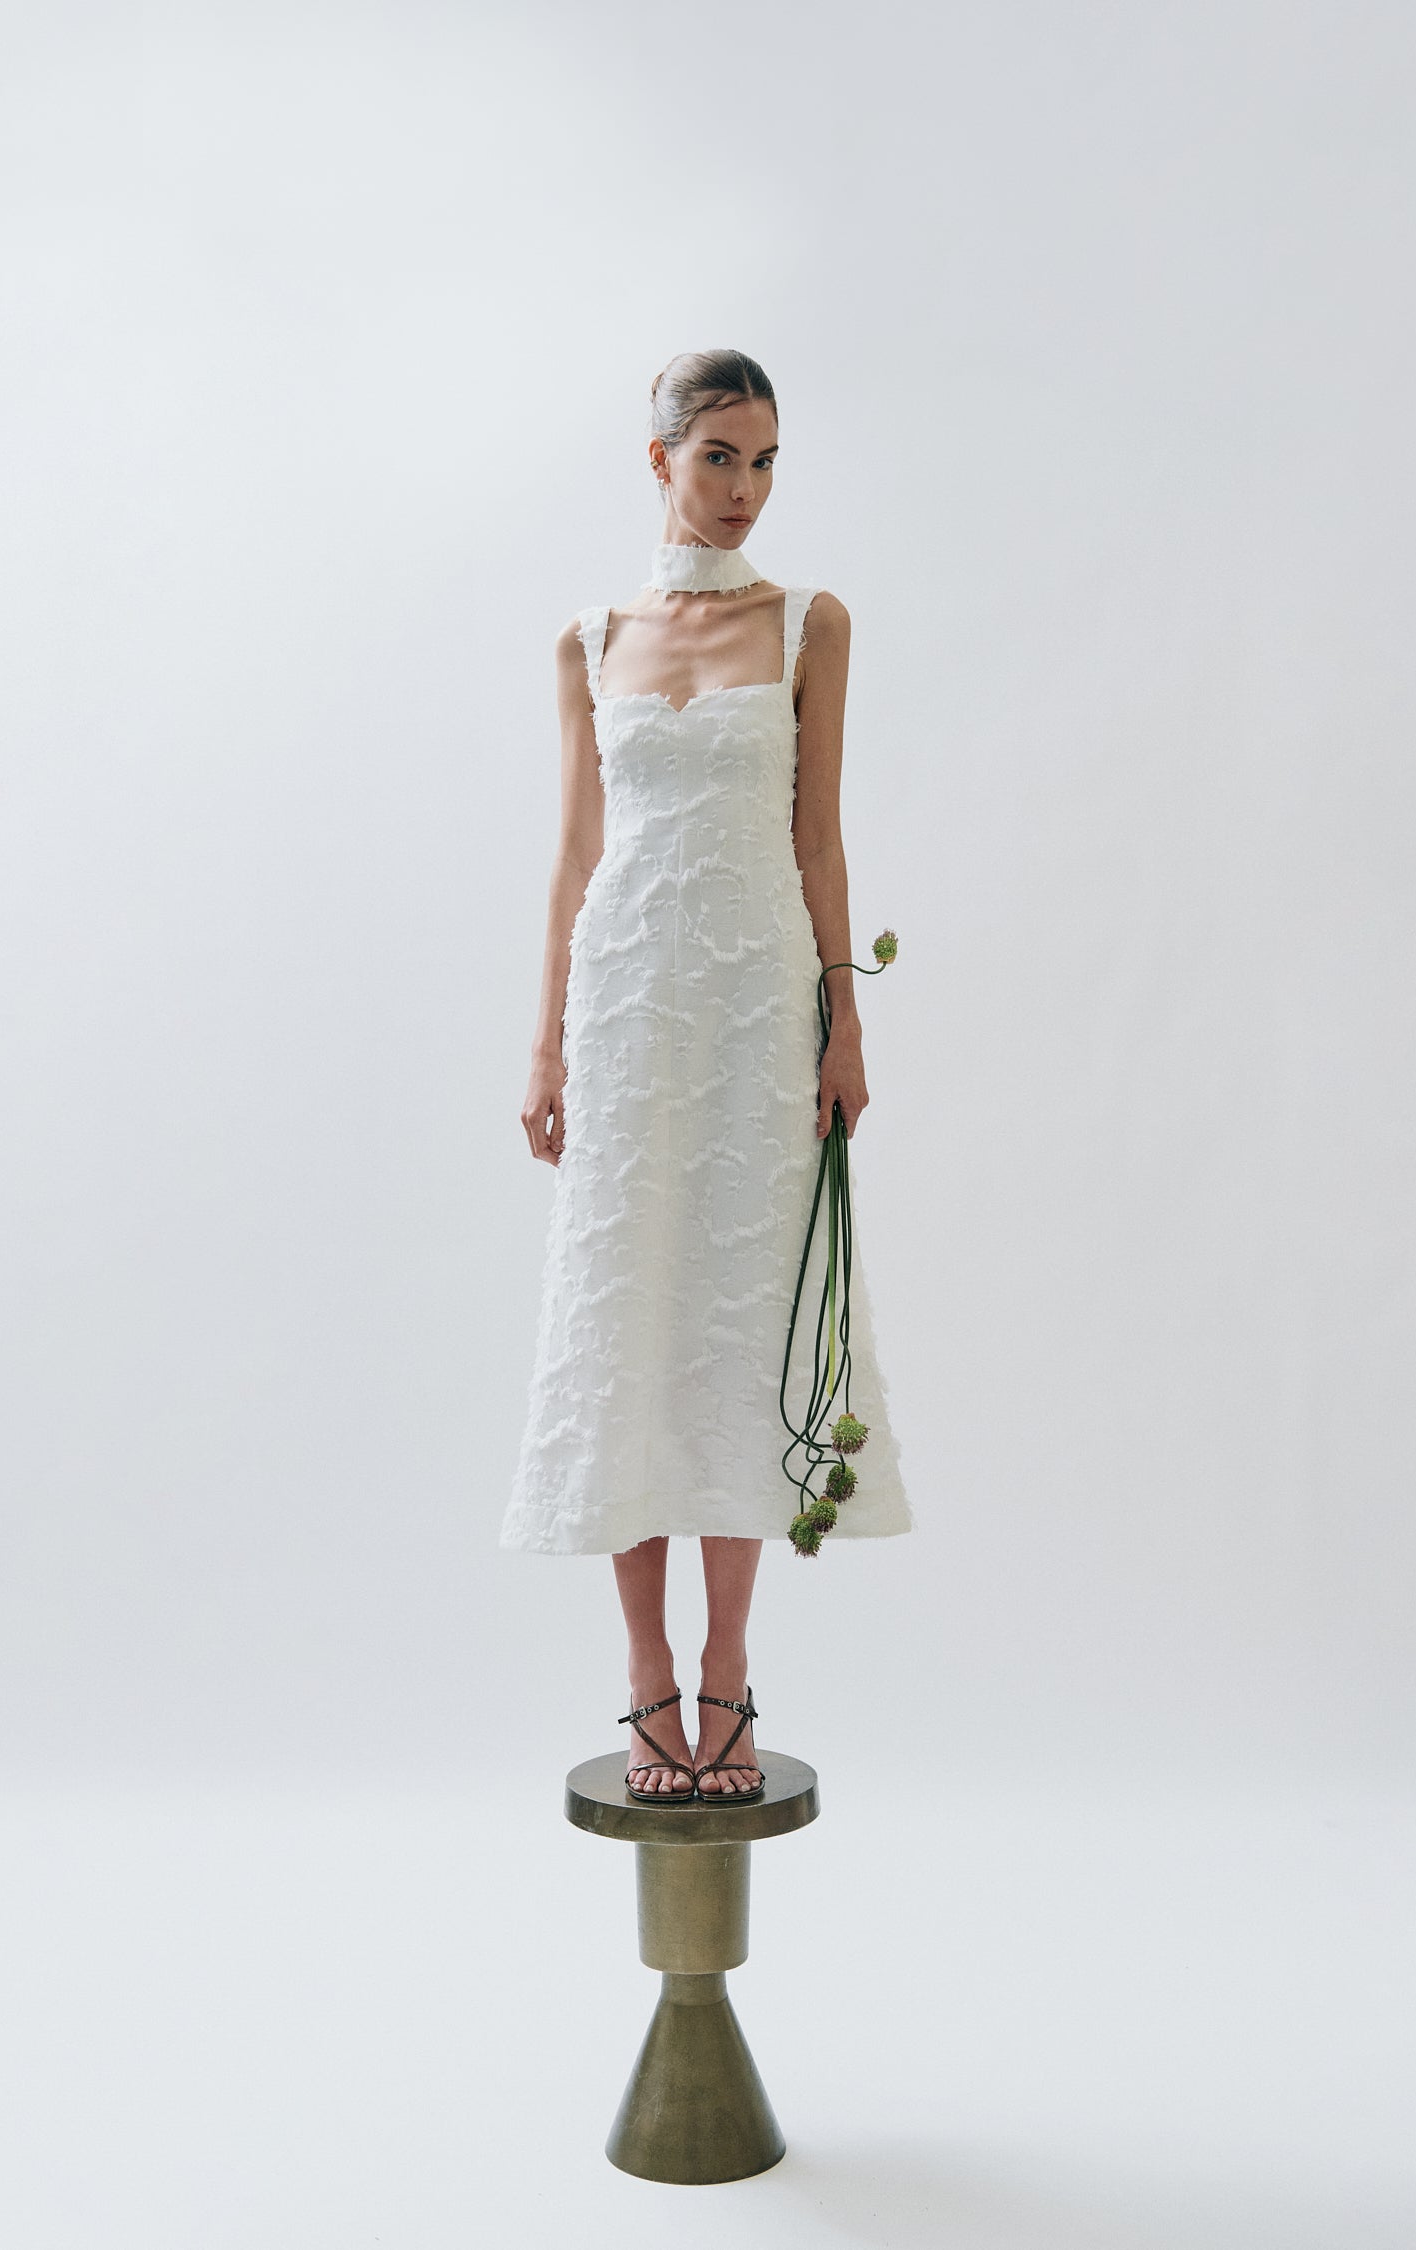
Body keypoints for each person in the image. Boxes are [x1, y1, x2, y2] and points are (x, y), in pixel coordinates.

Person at [502, 348, 912, 1804]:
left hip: (754, 1012)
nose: (746, 488)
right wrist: (547, 1041)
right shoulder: (588, 639)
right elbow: (574, 856)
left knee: (741, 1319)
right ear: (660, 459)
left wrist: (843, 1023)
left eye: (766, 460)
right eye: (720, 456)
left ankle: (729, 1668)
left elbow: (821, 843)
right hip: (626, 1010)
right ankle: (644, 1679)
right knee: (630, 1312)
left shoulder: (809, 624)